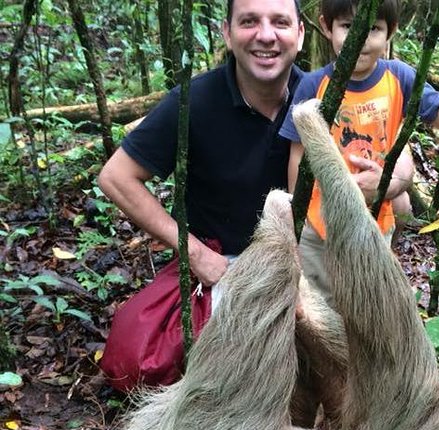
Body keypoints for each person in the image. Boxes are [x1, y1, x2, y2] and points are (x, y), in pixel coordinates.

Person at [97, 0, 305, 391]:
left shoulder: (320, 95)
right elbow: (116, 177)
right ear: (227, 32)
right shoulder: (196, 100)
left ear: (301, 32)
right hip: (222, 267)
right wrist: (194, 253)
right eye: (249, 22)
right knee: (135, 359)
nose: (265, 35)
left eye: (280, 22)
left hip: (306, 262)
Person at [279, 0, 439, 304]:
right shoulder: (313, 84)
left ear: (391, 31)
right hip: (318, 225)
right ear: (326, 27)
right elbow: (299, 154)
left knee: (365, 300)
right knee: (318, 303)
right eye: (348, 26)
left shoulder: (398, 78)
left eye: (372, 28)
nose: (360, 38)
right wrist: (298, 216)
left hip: (375, 222)